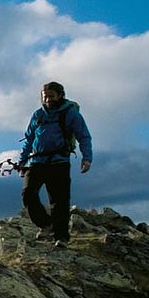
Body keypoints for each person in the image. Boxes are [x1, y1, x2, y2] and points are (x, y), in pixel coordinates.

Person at [17, 81, 93, 247]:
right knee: (28, 193)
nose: (48, 100)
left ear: (60, 95)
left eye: (51, 96)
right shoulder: (38, 115)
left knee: (59, 201)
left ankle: (61, 237)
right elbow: (29, 139)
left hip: (59, 161)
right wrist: (22, 161)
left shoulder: (71, 114)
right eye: (45, 97)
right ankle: (45, 224)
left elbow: (84, 136)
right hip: (37, 161)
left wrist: (87, 158)